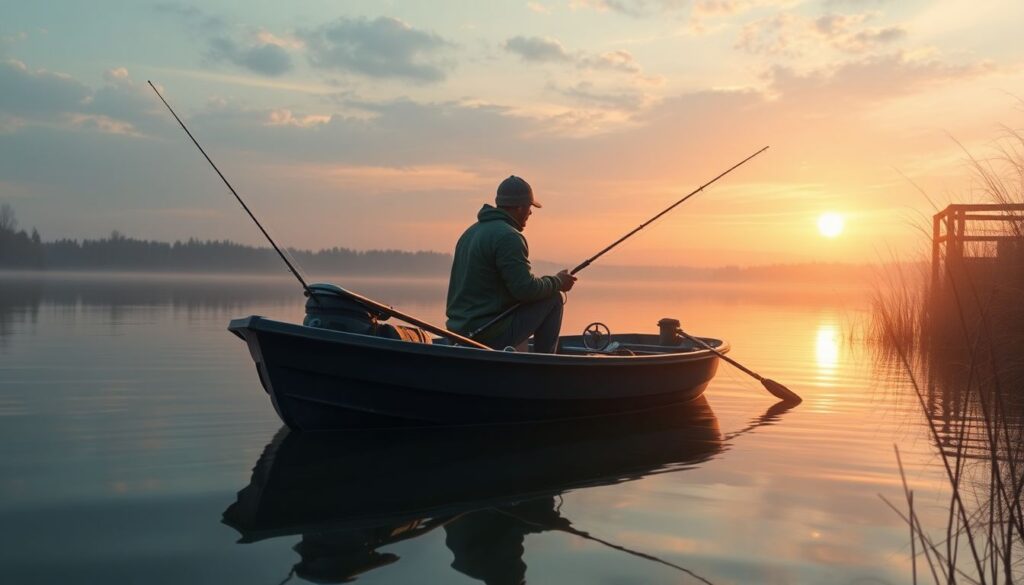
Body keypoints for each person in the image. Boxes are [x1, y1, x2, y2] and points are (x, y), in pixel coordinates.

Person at [446, 175, 576, 353]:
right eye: (530, 207)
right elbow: (524, 290)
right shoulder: (509, 237)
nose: (531, 213)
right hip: (486, 335)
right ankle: (545, 366)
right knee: (553, 299)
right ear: (520, 207)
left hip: (458, 334)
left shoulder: (471, 232)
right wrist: (558, 282)